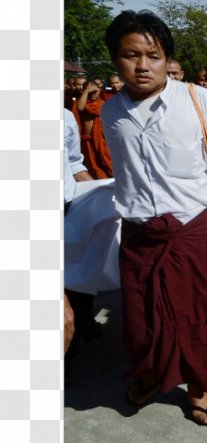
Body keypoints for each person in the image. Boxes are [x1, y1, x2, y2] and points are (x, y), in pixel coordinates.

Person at [101, 10, 207, 425]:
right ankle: (152, 372)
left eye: (152, 55)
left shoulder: (197, 99)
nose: (142, 65)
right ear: (114, 60)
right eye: (130, 55)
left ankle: (198, 388)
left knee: (198, 318)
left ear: (165, 57)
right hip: (138, 235)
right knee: (140, 319)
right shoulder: (111, 111)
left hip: (193, 228)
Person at [63, 107, 95, 356]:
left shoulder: (64, 116)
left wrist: (100, 190)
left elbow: (74, 162)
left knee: (79, 279)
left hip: (68, 209)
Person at [72, 78, 113, 178]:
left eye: (96, 92)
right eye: (91, 92)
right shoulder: (82, 102)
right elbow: (80, 108)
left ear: (99, 90)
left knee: (108, 164)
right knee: (94, 168)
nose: (93, 94)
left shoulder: (103, 103)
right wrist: (86, 91)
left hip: (102, 140)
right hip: (88, 141)